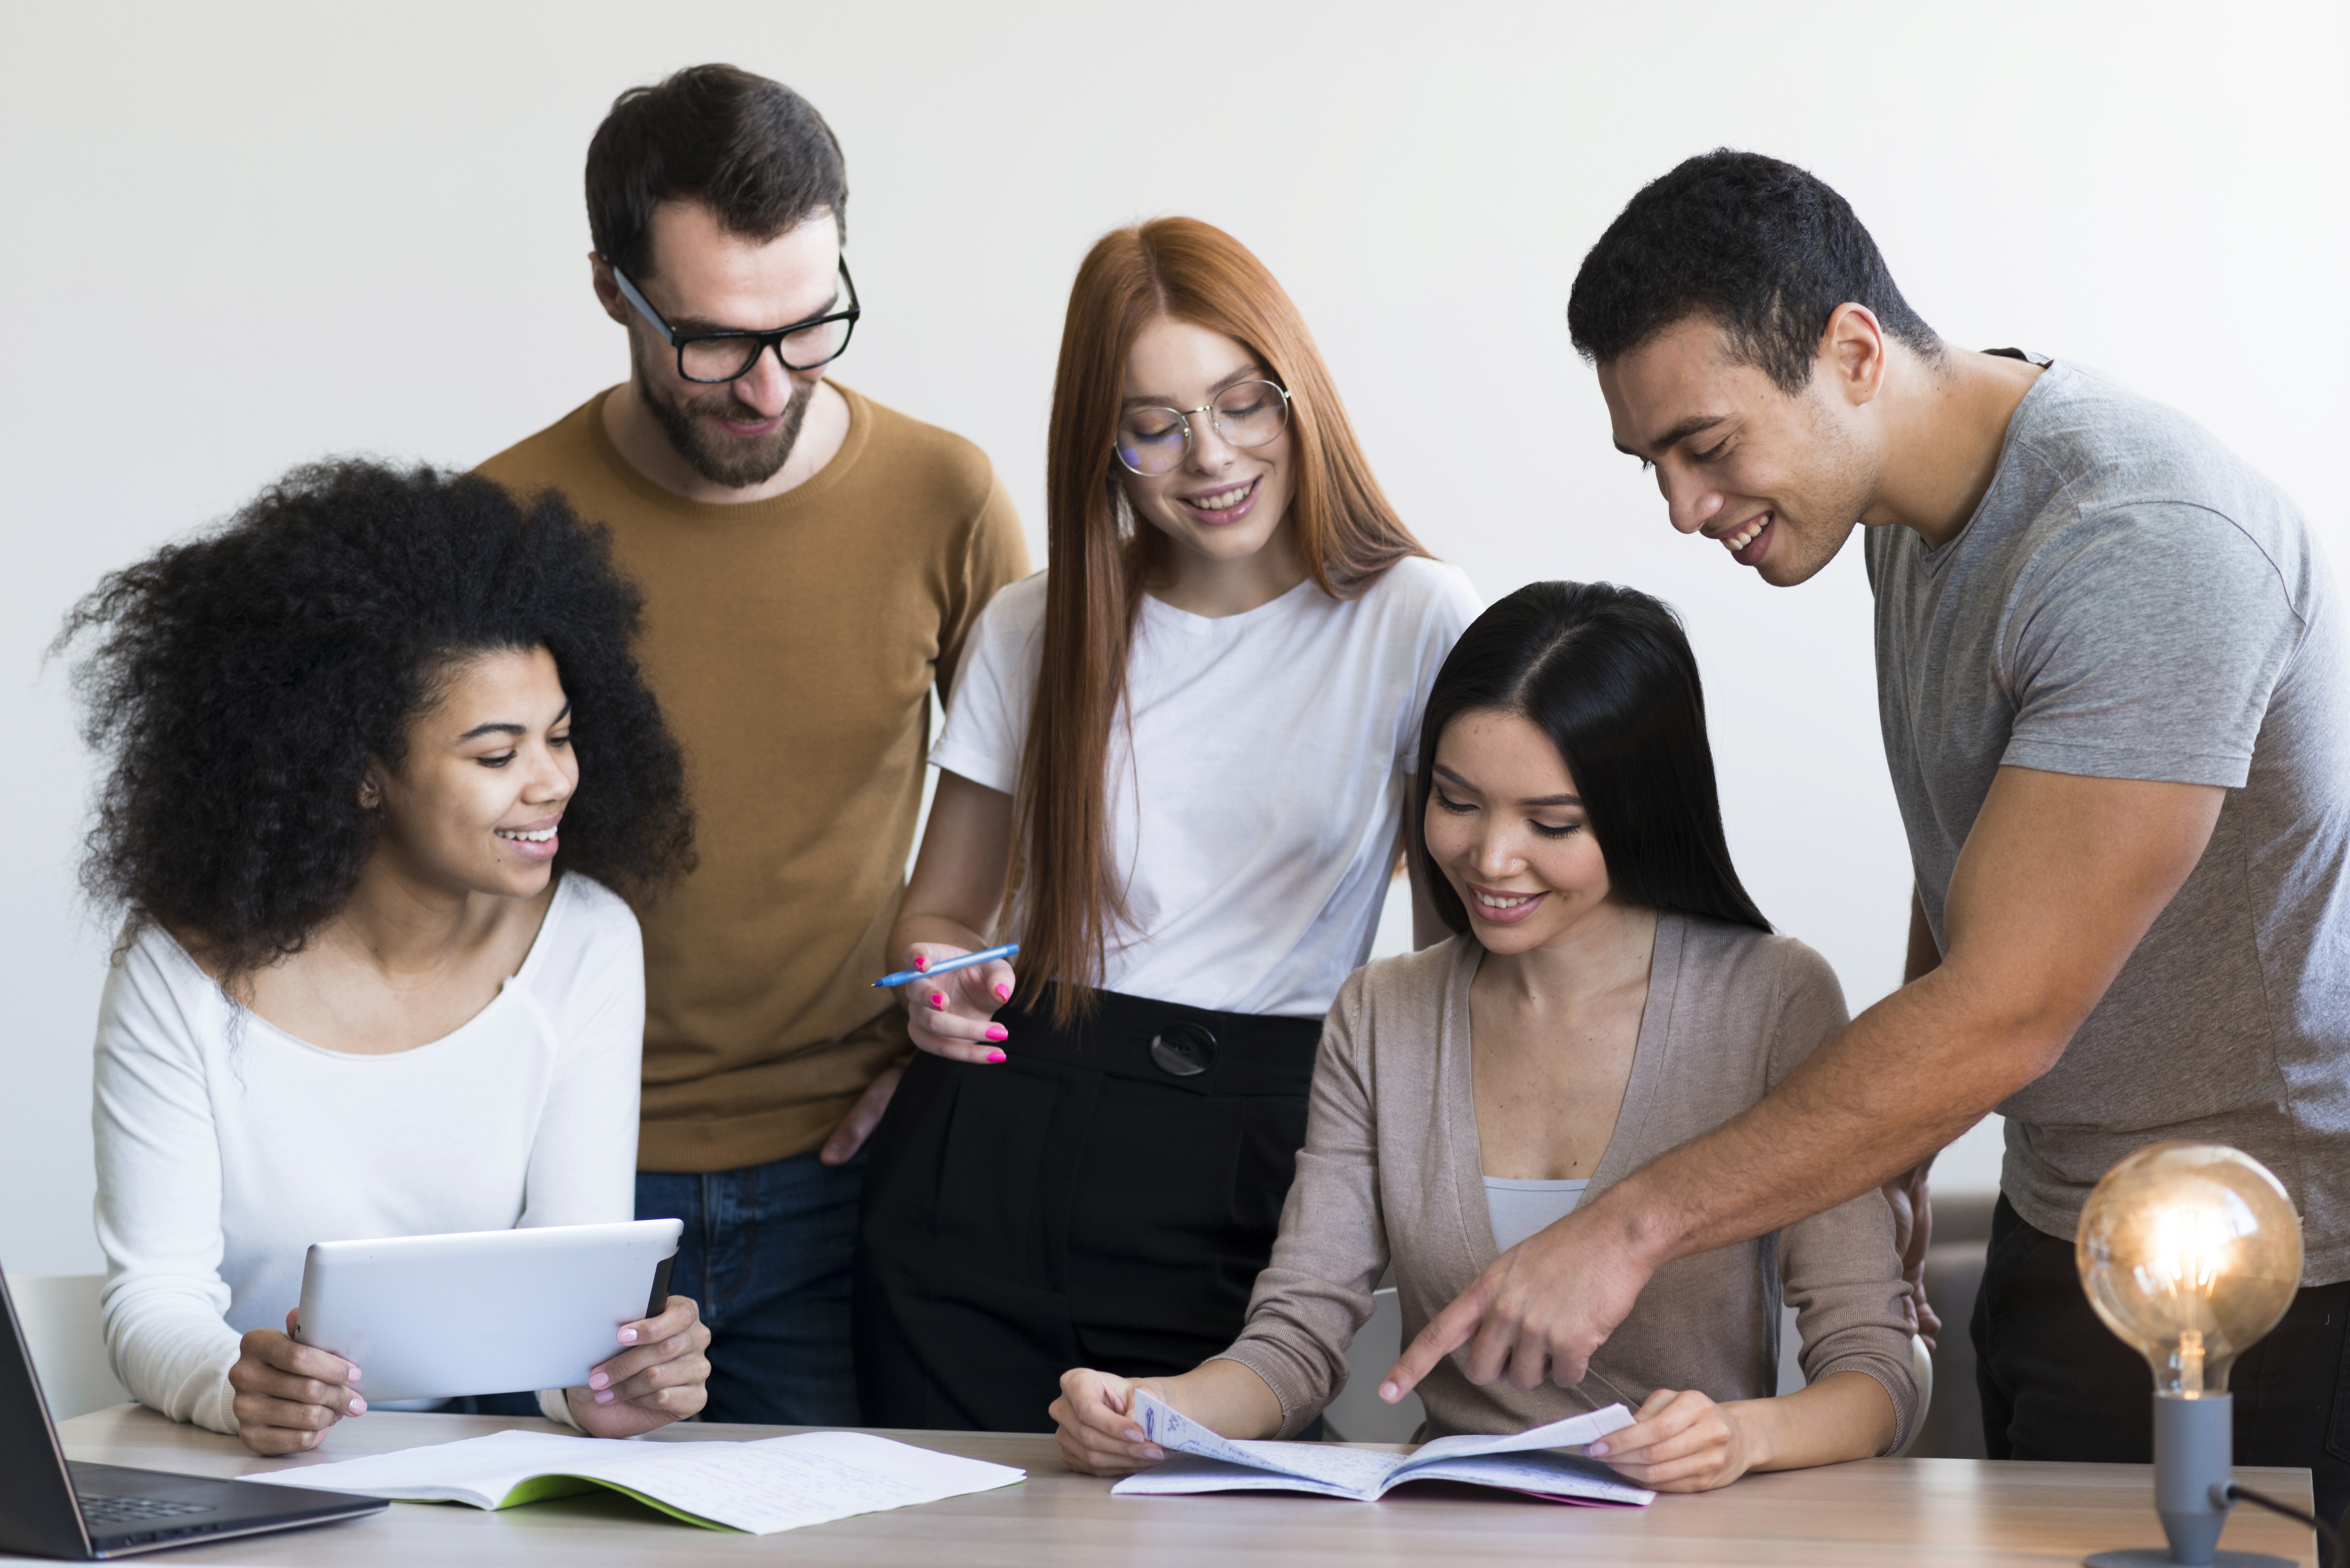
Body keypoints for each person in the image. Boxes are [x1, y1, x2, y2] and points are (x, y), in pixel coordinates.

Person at [1386, 149, 2350, 1521]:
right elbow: (1978, 854)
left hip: (2273, 1277)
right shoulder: (1904, 509)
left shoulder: (2142, 543)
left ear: (1849, 352)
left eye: (1705, 447)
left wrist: (1623, 1228)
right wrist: (1893, 1148)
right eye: (1650, 460)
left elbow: (2007, 1007)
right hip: (2066, 1223)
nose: (1679, 509)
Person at [1050, 582, 1922, 1489]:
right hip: (1452, 1531)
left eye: (1552, 824)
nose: (1491, 859)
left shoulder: (1774, 999)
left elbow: (1877, 1376)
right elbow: (1297, 1341)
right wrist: (1158, 1413)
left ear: (1642, 813)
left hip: (1686, 1540)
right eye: (1458, 803)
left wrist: (1738, 1437)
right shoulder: (1383, 1011)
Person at [853, 216, 1483, 1433]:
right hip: (996, 1140)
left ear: (1298, 397)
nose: (1211, 456)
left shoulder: (1417, 617)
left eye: (1242, 402)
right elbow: (940, 915)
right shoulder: (1037, 627)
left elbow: (1460, 961)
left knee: (1211, 1523)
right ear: (1105, 448)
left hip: (1256, 1145)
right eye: (1156, 423)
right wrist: (934, 987)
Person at [474, 64, 1029, 1425]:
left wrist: (938, 1048)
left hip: (855, 1181)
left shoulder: (943, 496)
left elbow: (1055, 813)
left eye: (810, 326)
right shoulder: (500, 520)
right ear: (612, 287)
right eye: (715, 340)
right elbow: (434, 876)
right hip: (559, 1186)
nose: (768, 385)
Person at [68, 461, 708, 1456]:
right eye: (496, 756)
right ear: (363, 773)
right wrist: (233, 1383)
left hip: (448, 1477)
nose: (551, 783)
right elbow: (154, 1297)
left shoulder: (586, 940)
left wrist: (604, 1385)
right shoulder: (179, 969)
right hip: (229, 1471)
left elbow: (566, 1289)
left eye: (563, 737)